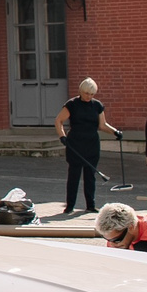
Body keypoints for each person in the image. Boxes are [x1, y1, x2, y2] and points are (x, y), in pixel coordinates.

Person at [55, 77, 119, 217]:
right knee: (74, 175)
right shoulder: (72, 104)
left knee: (90, 176)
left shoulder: (97, 105)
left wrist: (115, 132)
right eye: (86, 93)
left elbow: (102, 125)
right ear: (81, 91)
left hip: (92, 143)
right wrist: (62, 136)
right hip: (75, 143)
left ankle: (91, 205)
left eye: (92, 94)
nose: (89, 96)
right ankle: (70, 206)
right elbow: (59, 120)